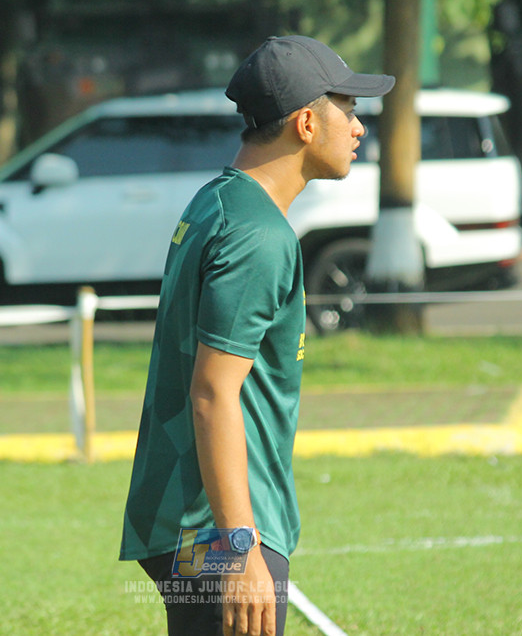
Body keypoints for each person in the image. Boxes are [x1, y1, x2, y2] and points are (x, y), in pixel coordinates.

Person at [120, 35, 395, 636]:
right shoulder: (259, 236)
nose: (357, 128)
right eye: (347, 109)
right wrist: (240, 547)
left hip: (189, 522)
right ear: (304, 122)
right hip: (220, 529)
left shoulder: (217, 202)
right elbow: (213, 393)